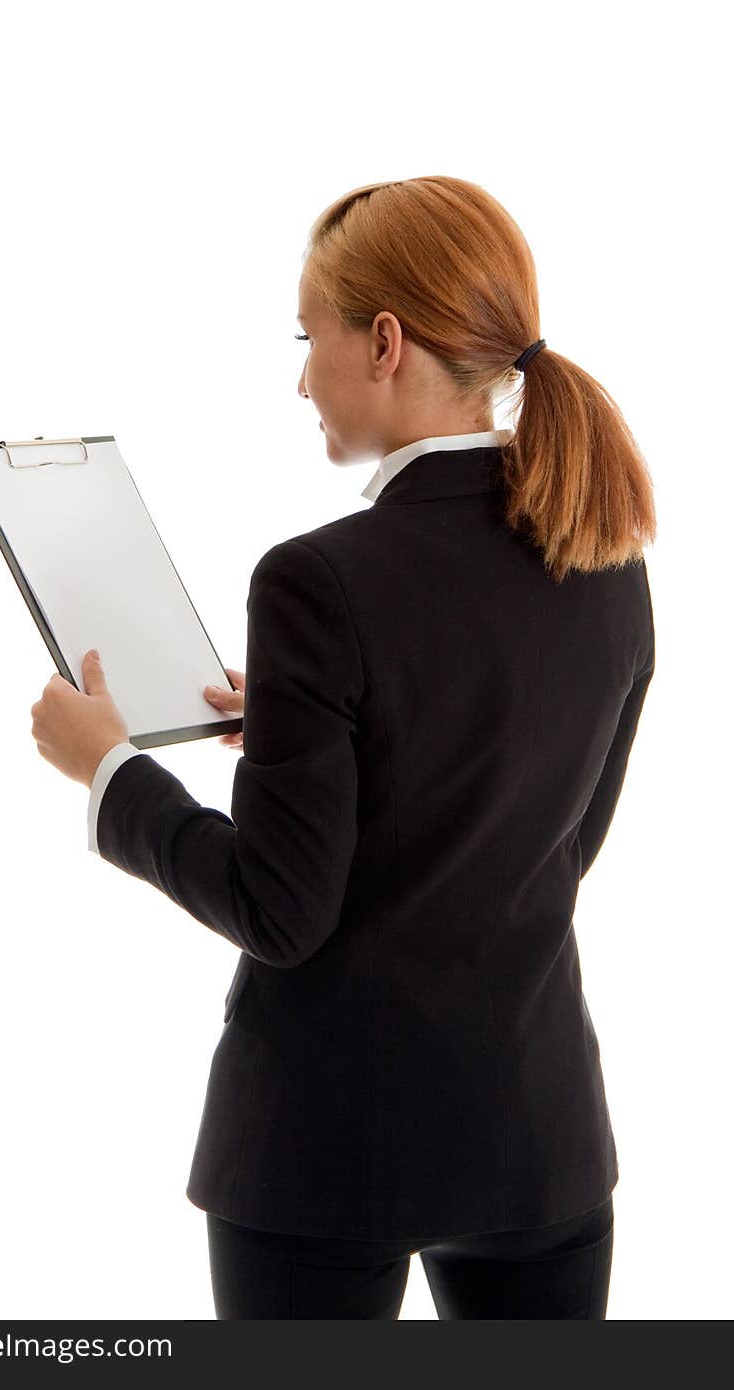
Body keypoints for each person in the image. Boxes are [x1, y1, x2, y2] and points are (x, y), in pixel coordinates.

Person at [35, 175, 656, 1318]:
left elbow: (280, 910)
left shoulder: (318, 579)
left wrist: (112, 770)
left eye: (306, 336)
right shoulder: (606, 554)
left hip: (326, 1154)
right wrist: (302, 738)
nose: (299, 375)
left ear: (383, 342)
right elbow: (543, 848)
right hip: (538, 1141)